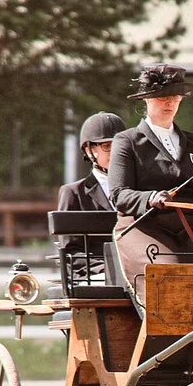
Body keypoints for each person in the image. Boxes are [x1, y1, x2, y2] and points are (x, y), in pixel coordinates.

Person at [108, 63, 193, 306]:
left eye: (175, 97)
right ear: (146, 101)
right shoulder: (127, 141)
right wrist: (150, 198)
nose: (170, 103)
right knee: (171, 282)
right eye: (162, 97)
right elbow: (119, 194)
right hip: (146, 226)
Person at [56, 111, 126, 274]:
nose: (115, 152)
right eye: (107, 146)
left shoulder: (139, 188)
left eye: (120, 145)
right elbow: (71, 251)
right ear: (89, 150)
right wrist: (106, 271)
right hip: (96, 276)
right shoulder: (73, 193)